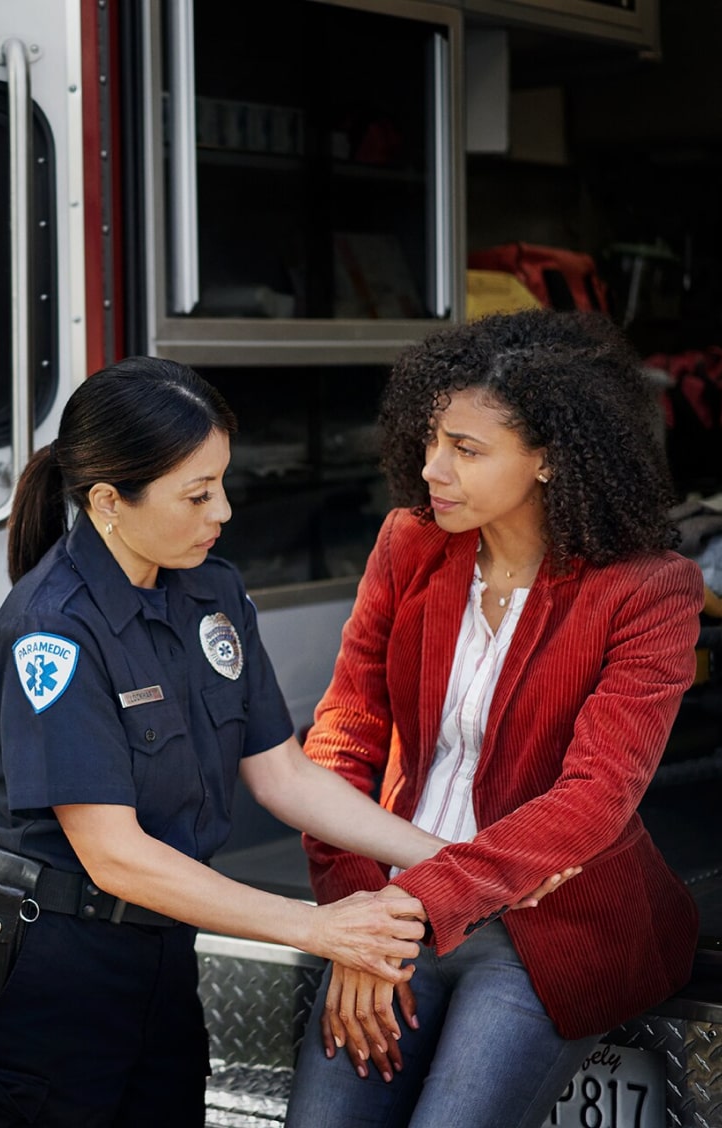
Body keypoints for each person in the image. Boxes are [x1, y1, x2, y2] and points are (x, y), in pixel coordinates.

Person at [0, 356, 566, 1128]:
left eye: (221, 482)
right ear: (106, 502)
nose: (221, 510)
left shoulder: (210, 590)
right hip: (44, 992)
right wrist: (318, 929)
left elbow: (285, 776)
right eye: (196, 494)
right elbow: (113, 854)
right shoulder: (51, 630)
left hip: (158, 971)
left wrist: (458, 863)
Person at [284, 309, 703, 1128]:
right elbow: (343, 729)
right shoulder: (411, 543)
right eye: (433, 436)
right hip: (387, 903)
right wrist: (355, 913)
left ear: (548, 460)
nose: (431, 467)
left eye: (467, 450)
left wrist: (405, 910)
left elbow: (594, 799)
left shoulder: (649, 590)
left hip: (544, 932)